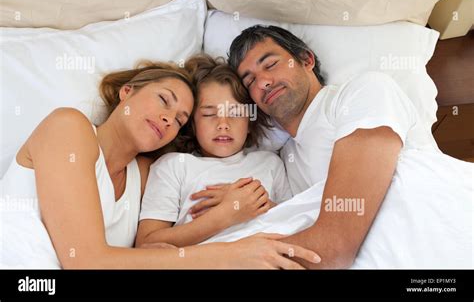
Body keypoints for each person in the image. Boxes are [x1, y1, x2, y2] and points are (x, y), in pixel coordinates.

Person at [190, 25, 472, 269]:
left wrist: (202, 261)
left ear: (306, 60)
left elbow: (333, 246)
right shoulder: (283, 161)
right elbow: (300, 219)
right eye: (250, 80)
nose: (263, 81)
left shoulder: (363, 91)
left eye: (271, 64)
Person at [0, 59, 319, 269]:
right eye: (164, 100)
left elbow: (148, 252)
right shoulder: (69, 126)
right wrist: (229, 254)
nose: (169, 118)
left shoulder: (143, 174)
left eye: (180, 119)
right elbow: (86, 261)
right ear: (127, 92)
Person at [135, 55, 292, 248]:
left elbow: (295, 220)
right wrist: (225, 215)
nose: (223, 125)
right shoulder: (174, 166)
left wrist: (258, 204)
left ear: (250, 122)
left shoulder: (270, 163)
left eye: (235, 113)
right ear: (192, 124)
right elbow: (146, 243)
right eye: (209, 114)